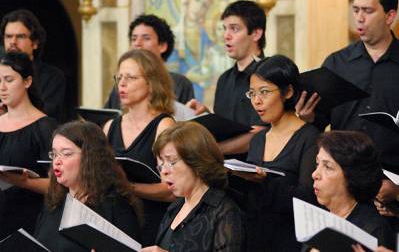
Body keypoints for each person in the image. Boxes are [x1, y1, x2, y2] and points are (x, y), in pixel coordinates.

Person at [294, 0, 399, 205]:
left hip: (388, 186)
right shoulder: (336, 63)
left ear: (390, 16)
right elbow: (320, 122)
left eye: (368, 11)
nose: (359, 18)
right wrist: (308, 117)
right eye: (356, 10)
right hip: (341, 183)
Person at [241, 55, 319, 251]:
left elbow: (309, 198)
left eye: (264, 92)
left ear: (288, 92)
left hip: (290, 241)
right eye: (252, 93)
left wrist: (264, 181)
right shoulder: (258, 139)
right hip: (255, 239)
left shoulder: (309, 137)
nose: (257, 101)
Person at [103, 49, 176, 246]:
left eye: (131, 77)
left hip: (151, 224)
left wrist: (128, 187)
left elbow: (171, 190)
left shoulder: (164, 125)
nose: (122, 83)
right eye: (119, 77)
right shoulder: (110, 126)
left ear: (151, 83)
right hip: (114, 224)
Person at [34, 120, 142, 252]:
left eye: (66, 154)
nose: (56, 161)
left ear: (90, 158)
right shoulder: (55, 201)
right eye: (54, 154)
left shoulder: (116, 206)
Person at [142, 121, 244, 252]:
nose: (164, 171)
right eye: (161, 164)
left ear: (196, 161)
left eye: (172, 162)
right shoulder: (175, 207)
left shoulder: (224, 211)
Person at [187, 0, 268, 158]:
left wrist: (214, 150)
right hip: (224, 170)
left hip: (256, 169)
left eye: (234, 29)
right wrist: (206, 115)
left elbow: (262, 133)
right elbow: (227, 126)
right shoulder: (224, 79)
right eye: (225, 29)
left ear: (256, 34)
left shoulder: (268, 73)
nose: (226, 36)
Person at [0, 51, 57, 238]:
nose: (2, 87)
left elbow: (59, 187)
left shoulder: (44, 127)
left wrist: (23, 181)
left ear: (27, 81)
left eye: (9, 80)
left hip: (28, 222)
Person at [311, 131, 394, 250]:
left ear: (351, 176)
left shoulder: (373, 229)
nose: (315, 174)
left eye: (327, 167)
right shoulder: (316, 218)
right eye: (317, 164)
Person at [104, 14, 194, 109]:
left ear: (162, 46)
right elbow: (108, 118)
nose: (137, 44)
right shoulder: (123, 84)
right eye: (134, 39)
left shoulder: (180, 84)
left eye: (146, 38)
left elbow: (186, 120)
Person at [0, 9, 66, 121]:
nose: (13, 41)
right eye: (8, 36)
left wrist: (8, 113)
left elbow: (47, 116)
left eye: (20, 36)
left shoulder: (53, 77)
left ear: (35, 43)